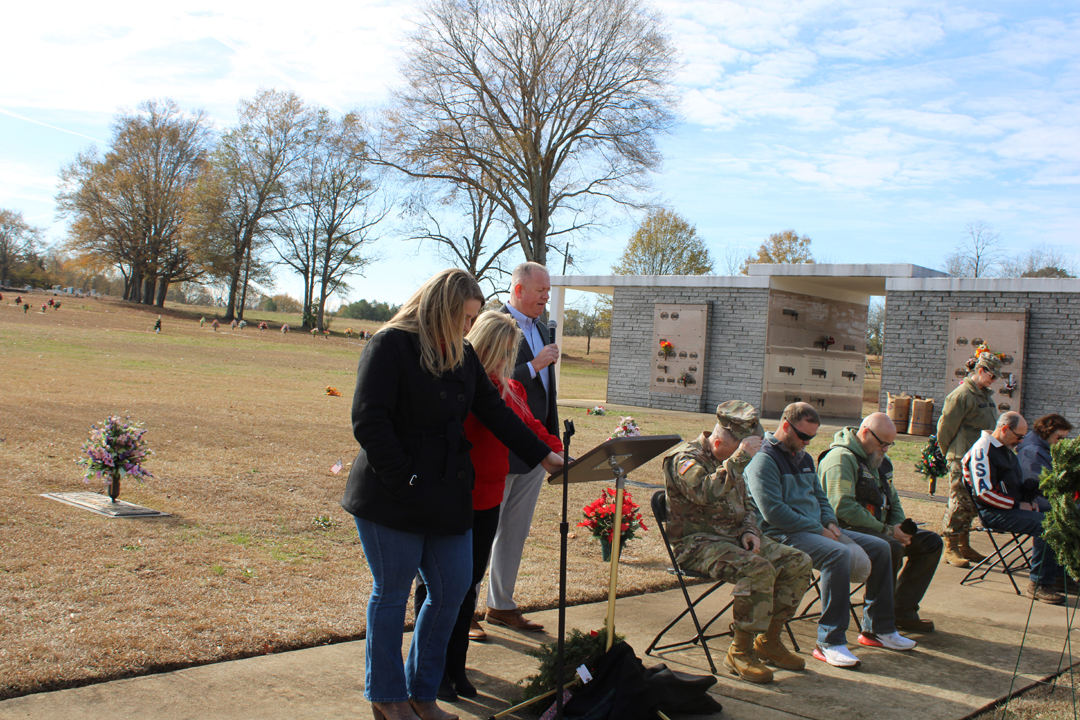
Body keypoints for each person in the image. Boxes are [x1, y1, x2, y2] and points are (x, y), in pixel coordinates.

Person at [341, 269, 564, 720]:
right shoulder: (390, 345)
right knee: (391, 592)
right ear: (440, 309)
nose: (469, 328)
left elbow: (496, 412)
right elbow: (370, 421)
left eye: (473, 319)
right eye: (464, 318)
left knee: (453, 588)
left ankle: (423, 694)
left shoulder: (463, 355)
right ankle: (387, 697)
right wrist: (405, 479)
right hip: (392, 497)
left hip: (446, 494)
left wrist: (544, 455)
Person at [415, 311, 564, 702]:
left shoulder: (509, 386)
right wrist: (548, 453)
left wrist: (558, 449)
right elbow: (513, 424)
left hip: (490, 496)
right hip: (461, 494)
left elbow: (530, 424)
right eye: (505, 351)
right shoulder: (473, 386)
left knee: (468, 587)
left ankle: (457, 666)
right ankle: (435, 671)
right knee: (444, 586)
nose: (507, 359)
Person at [745, 402, 917, 669]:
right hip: (781, 534)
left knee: (883, 547)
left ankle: (879, 629)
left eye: (812, 438)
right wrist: (819, 529)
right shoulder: (763, 459)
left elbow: (821, 496)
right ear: (785, 426)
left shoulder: (802, 456)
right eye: (803, 437)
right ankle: (830, 641)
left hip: (816, 528)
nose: (807, 443)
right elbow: (773, 513)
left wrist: (829, 521)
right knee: (838, 554)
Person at [662, 401, 812, 684]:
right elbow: (705, 491)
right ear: (717, 443)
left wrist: (750, 531)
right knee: (758, 569)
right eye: (738, 452)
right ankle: (739, 652)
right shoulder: (684, 459)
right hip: (697, 544)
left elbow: (746, 505)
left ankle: (769, 640)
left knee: (798, 561)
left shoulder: (733, 459)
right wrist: (738, 459)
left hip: (733, 538)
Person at [484, 262, 561, 633]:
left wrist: (551, 439)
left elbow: (546, 392)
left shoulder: (543, 328)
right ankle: (465, 609)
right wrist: (533, 365)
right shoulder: (493, 322)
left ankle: (501, 604)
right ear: (518, 290)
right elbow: (486, 379)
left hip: (536, 448)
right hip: (502, 445)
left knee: (515, 530)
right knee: (485, 528)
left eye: (548, 291)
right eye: (541, 291)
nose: (547, 297)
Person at [818, 413, 943, 633]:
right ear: (865, 432)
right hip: (845, 531)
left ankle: (901, 611)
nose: (885, 449)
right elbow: (842, 507)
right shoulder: (840, 458)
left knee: (931, 542)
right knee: (889, 546)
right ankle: (875, 620)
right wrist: (887, 531)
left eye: (889, 444)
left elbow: (892, 500)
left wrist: (900, 529)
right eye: (882, 443)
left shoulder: (879, 461)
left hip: (880, 530)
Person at [964, 412, 1070, 604]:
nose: (1021, 441)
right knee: (1049, 525)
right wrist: (1018, 504)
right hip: (993, 513)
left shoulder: (1003, 447)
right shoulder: (983, 450)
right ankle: (1039, 583)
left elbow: (1012, 484)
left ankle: (1060, 575)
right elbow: (984, 494)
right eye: (1019, 436)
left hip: (1008, 507)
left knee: (1062, 518)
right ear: (1004, 429)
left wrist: (1030, 500)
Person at [938, 353, 1001, 567]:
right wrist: (952, 456)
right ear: (981, 371)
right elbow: (945, 428)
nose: (994, 380)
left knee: (972, 503)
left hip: (979, 459)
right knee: (959, 501)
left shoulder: (985, 396)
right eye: (992, 376)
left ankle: (964, 544)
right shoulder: (962, 395)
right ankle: (950, 546)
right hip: (962, 457)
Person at [1016, 413, 1073, 511]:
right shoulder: (1032, 451)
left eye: (1065, 438)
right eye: (1059, 438)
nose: (1062, 442)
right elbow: (1040, 486)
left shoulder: (1043, 446)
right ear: (1047, 432)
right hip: (1038, 503)